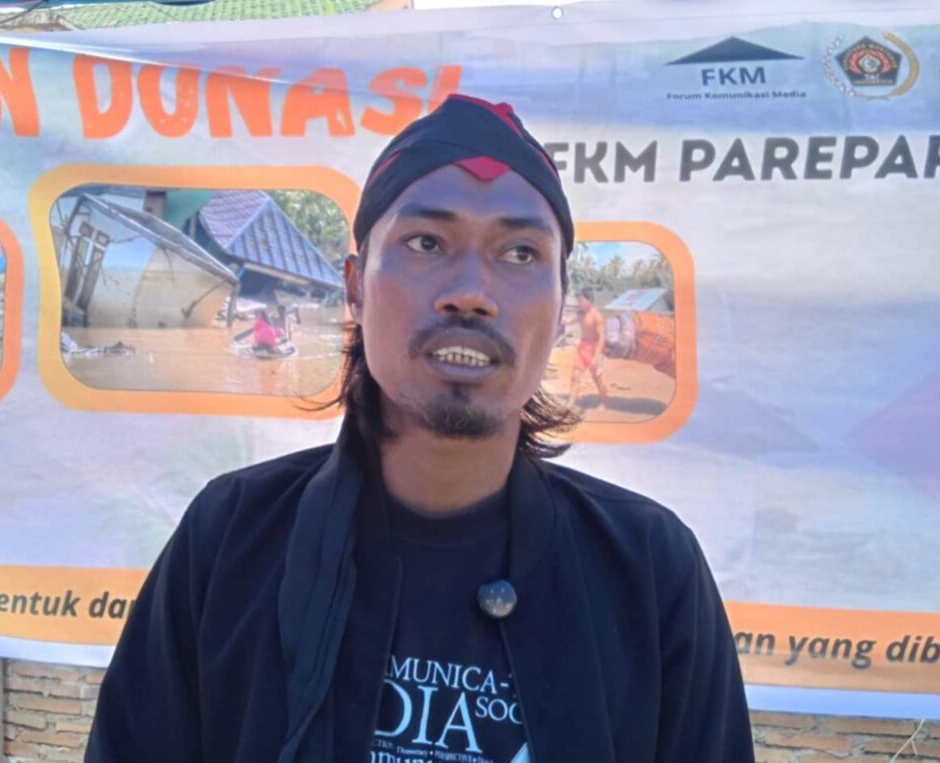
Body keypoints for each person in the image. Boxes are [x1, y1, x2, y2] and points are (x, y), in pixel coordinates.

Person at [87, 94, 754, 763]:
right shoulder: (231, 538)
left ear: (560, 312)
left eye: (520, 252)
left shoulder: (647, 570)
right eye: (427, 242)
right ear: (355, 287)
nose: (471, 292)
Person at [565, 290, 610, 412]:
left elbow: (602, 338)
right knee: (575, 376)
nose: (579, 303)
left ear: (589, 300)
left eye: (581, 300)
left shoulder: (597, 316)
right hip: (583, 347)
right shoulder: (581, 314)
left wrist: (596, 357)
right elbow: (569, 321)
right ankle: (570, 404)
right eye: (578, 300)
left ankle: (605, 402)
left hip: (595, 348)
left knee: (597, 379)